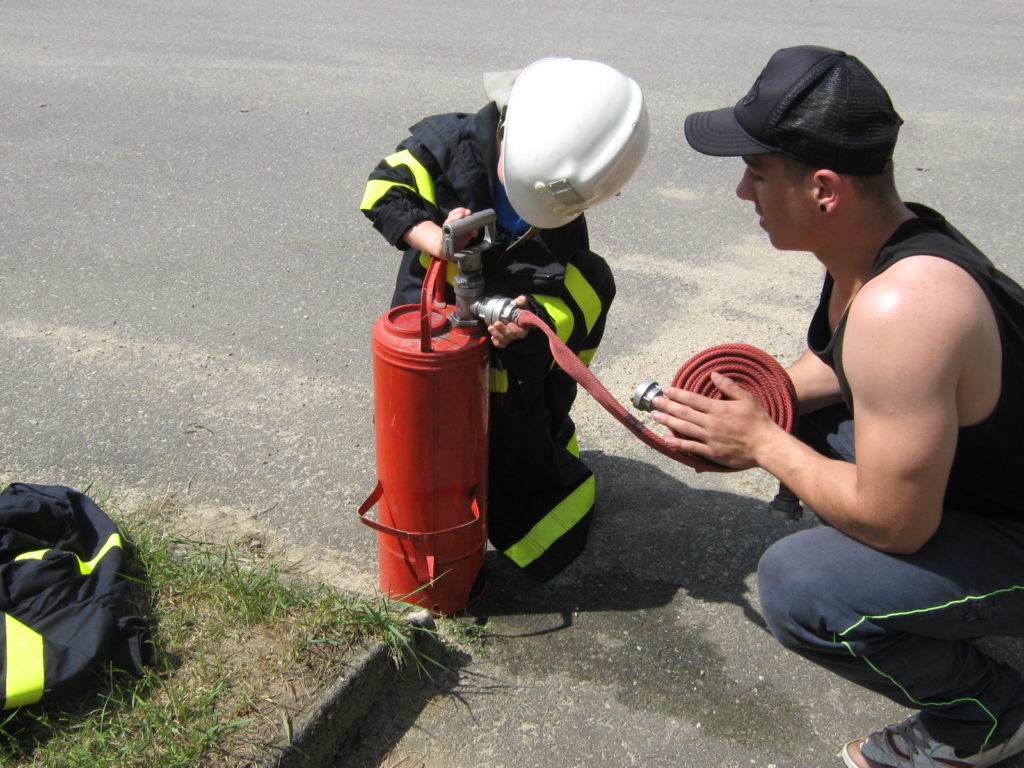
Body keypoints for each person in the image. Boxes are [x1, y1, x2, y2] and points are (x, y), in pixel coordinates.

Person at [656, 45, 1024, 767]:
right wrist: (757, 404)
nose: (742, 192)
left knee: (803, 586)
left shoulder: (904, 308)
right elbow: (836, 365)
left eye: (758, 173)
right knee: (810, 421)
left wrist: (762, 443)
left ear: (824, 190)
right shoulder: (885, 243)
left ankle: (988, 718)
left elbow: (895, 523)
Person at [360, 58, 649, 582]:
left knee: (512, 438)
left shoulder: (566, 180)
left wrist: (531, 325)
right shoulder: (450, 146)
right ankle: (423, 511)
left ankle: (524, 507)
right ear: (509, 133)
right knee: (421, 432)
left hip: (510, 346)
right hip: (432, 326)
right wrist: (437, 240)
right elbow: (384, 191)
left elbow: (570, 295)